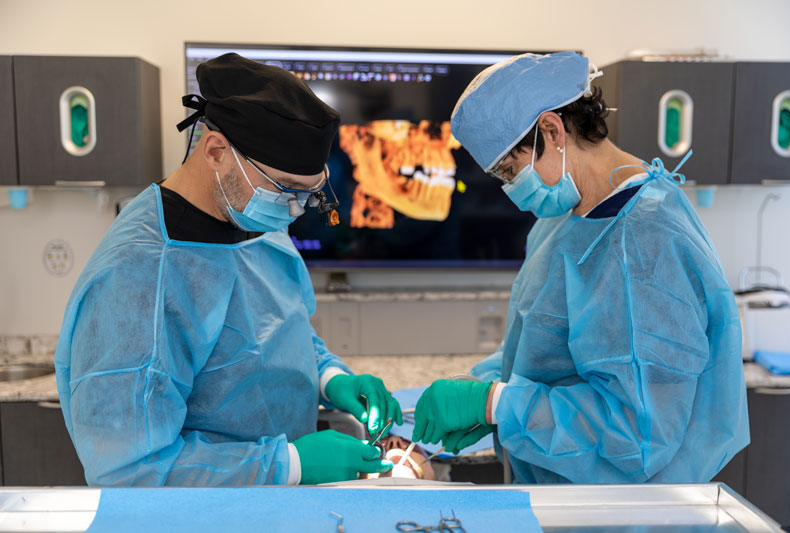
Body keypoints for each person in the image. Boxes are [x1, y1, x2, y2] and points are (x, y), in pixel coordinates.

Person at [54, 53, 402, 486]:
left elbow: (281, 329)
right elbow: (129, 470)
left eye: (310, 194)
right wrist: (289, 464)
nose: (294, 210)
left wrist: (330, 378)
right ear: (217, 151)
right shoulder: (139, 277)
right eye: (286, 190)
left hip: (278, 503)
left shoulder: (253, 217)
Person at [412, 52, 749, 484]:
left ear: (551, 130)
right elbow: (538, 350)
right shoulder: (564, 219)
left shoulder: (645, 243)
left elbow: (638, 433)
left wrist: (498, 403)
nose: (510, 189)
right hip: (556, 489)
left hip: (620, 513)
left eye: (510, 170)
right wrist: (483, 387)